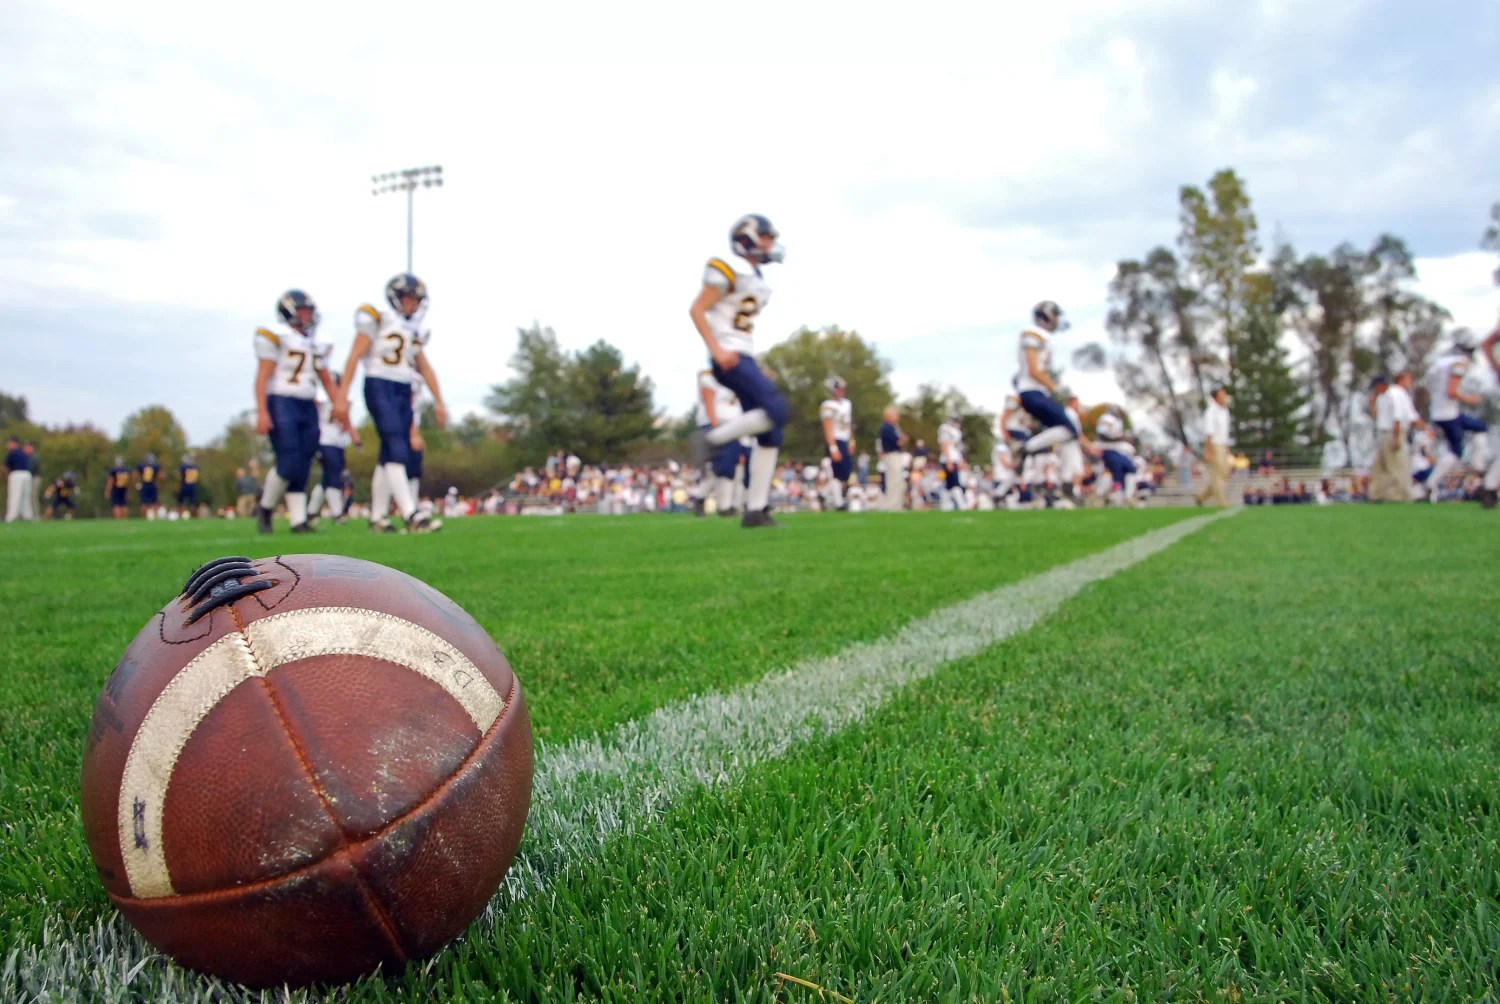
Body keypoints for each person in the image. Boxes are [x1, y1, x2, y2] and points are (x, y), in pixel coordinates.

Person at [690, 214, 790, 529]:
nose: (770, 244)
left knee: (771, 433)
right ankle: (713, 439)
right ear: (747, 239)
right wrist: (717, 350)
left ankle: (756, 509)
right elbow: (697, 309)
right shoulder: (728, 267)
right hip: (729, 357)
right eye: (765, 237)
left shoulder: (756, 278)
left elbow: (739, 328)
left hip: (743, 355)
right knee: (779, 410)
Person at [337, 273, 447, 533]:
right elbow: (354, 356)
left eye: (417, 300)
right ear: (396, 298)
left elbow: (425, 367)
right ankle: (412, 515)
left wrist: (439, 401)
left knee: (389, 453)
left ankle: (378, 517)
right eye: (410, 298)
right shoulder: (378, 318)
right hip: (379, 383)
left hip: (402, 387)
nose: (414, 304)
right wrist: (342, 396)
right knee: (397, 446)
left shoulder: (414, 329)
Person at [254, 289, 343, 534]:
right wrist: (262, 411)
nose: (307, 316)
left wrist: (340, 406)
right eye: (302, 311)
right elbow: (263, 377)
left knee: (304, 463)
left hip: (308, 404)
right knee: (289, 461)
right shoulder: (277, 336)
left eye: (309, 311)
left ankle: (298, 520)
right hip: (282, 401)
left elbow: (326, 379)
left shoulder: (315, 342)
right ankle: (266, 507)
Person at [1014, 301, 1082, 505]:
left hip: (1037, 392)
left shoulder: (1041, 337)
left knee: (1070, 433)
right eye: (1055, 316)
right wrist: (1054, 387)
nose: (1057, 320)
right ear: (1046, 316)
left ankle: (1068, 481)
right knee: (1070, 428)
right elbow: (1034, 369)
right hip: (1032, 392)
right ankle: (1027, 448)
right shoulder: (1032, 333)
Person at [1424, 333, 1489, 503]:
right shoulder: (1459, 364)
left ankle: (1478, 464)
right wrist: (1471, 399)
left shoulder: (1440, 363)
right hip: (1448, 413)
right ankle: (1432, 483)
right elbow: (1451, 391)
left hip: (1439, 411)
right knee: (1456, 451)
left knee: (1480, 427)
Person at [691, 367, 749, 517]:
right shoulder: (709, 376)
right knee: (717, 469)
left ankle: (724, 506)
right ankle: (701, 498)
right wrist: (715, 425)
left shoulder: (732, 380)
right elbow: (709, 399)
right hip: (716, 426)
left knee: (728, 469)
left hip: (732, 427)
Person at [309, 370, 357, 524]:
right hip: (325, 441)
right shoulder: (321, 398)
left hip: (338, 442)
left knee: (327, 479)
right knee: (333, 477)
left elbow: (346, 422)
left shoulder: (341, 400)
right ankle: (337, 513)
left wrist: (356, 439)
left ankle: (311, 512)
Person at [819, 376, 854, 511]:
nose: (841, 390)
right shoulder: (827, 405)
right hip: (834, 439)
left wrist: (851, 440)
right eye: (839, 388)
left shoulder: (847, 403)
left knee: (845, 472)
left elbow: (848, 424)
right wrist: (833, 447)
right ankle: (838, 503)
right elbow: (827, 427)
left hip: (844, 439)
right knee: (837, 472)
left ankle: (823, 494)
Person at [1194, 386, 1234, 507]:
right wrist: (1208, 451)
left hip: (1223, 445)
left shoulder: (1225, 411)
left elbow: (1224, 432)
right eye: (1222, 394)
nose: (1225, 396)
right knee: (1217, 475)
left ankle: (1201, 496)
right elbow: (1209, 433)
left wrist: (1227, 448)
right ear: (1216, 397)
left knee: (1225, 473)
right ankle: (1223, 503)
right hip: (1214, 446)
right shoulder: (1211, 412)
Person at [877, 405, 907, 511]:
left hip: (895, 455)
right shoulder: (887, 428)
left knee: (897, 481)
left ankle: (897, 505)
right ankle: (892, 505)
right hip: (891, 455)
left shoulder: (894, 427)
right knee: (894, 481)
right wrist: (903, 439)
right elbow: (898, 442)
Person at [937, 411, 966, 511]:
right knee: (954, 483)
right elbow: (944, 444)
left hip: (955, 458)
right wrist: (949, 460)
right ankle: (960, 504)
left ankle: (946, 505)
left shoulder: (955, 430)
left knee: (949, 484)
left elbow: (957, 447)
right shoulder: (945, 429)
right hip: (949, 459)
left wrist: (961, 459)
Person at [4, 437, 29, 523]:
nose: (8, 445)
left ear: (14, 443)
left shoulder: (11, 454)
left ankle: (11, 516)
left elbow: (8, 467)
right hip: (27, 475)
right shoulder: (23, 453)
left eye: (9, 443)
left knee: (15, 495)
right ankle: (27, 516)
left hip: (16, 474)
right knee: (25, 496)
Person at [136, 452, 162, 519]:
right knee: (154, 503)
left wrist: (138, 482)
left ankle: (143, 518)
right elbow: (161, 476)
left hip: (144, 485)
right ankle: (155, 518)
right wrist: (158, 483)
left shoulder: (142, 466)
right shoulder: (156, 466)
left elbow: (135, 474)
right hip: (153, 485)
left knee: (144, 503)